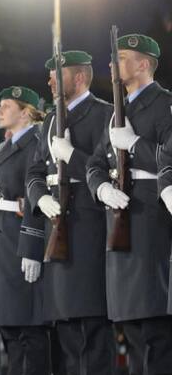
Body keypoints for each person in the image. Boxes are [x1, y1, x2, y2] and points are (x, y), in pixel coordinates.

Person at [88, 32, 172, 373]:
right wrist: (100, 189)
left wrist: (135, 144)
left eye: (120, 57)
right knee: (132, 328)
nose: (111, 64)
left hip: (151, 219)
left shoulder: (164, 104)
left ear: (144, 64)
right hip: (120, 220)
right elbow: (95, 164)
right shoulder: (116, 112)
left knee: (154, 328)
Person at [27, 51, 113, 375]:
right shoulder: (50, 119)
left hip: (87, 226)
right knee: (63, 328)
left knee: (91, 326)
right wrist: (39, 198)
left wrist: (73, 156)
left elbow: (110, 171)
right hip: (56, 226)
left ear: (79, 78)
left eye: (57, 74)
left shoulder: (104, 113)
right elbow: (34, 171)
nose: (49, 80)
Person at [0, 87, 49, 375]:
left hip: (18, 237)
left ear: (25, 112)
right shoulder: (8, 144)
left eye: (6, 106)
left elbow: (34, 195)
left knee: (29, 326)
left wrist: (32, 247)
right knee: (9, 326)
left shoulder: (35, 143)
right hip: (3, 238)